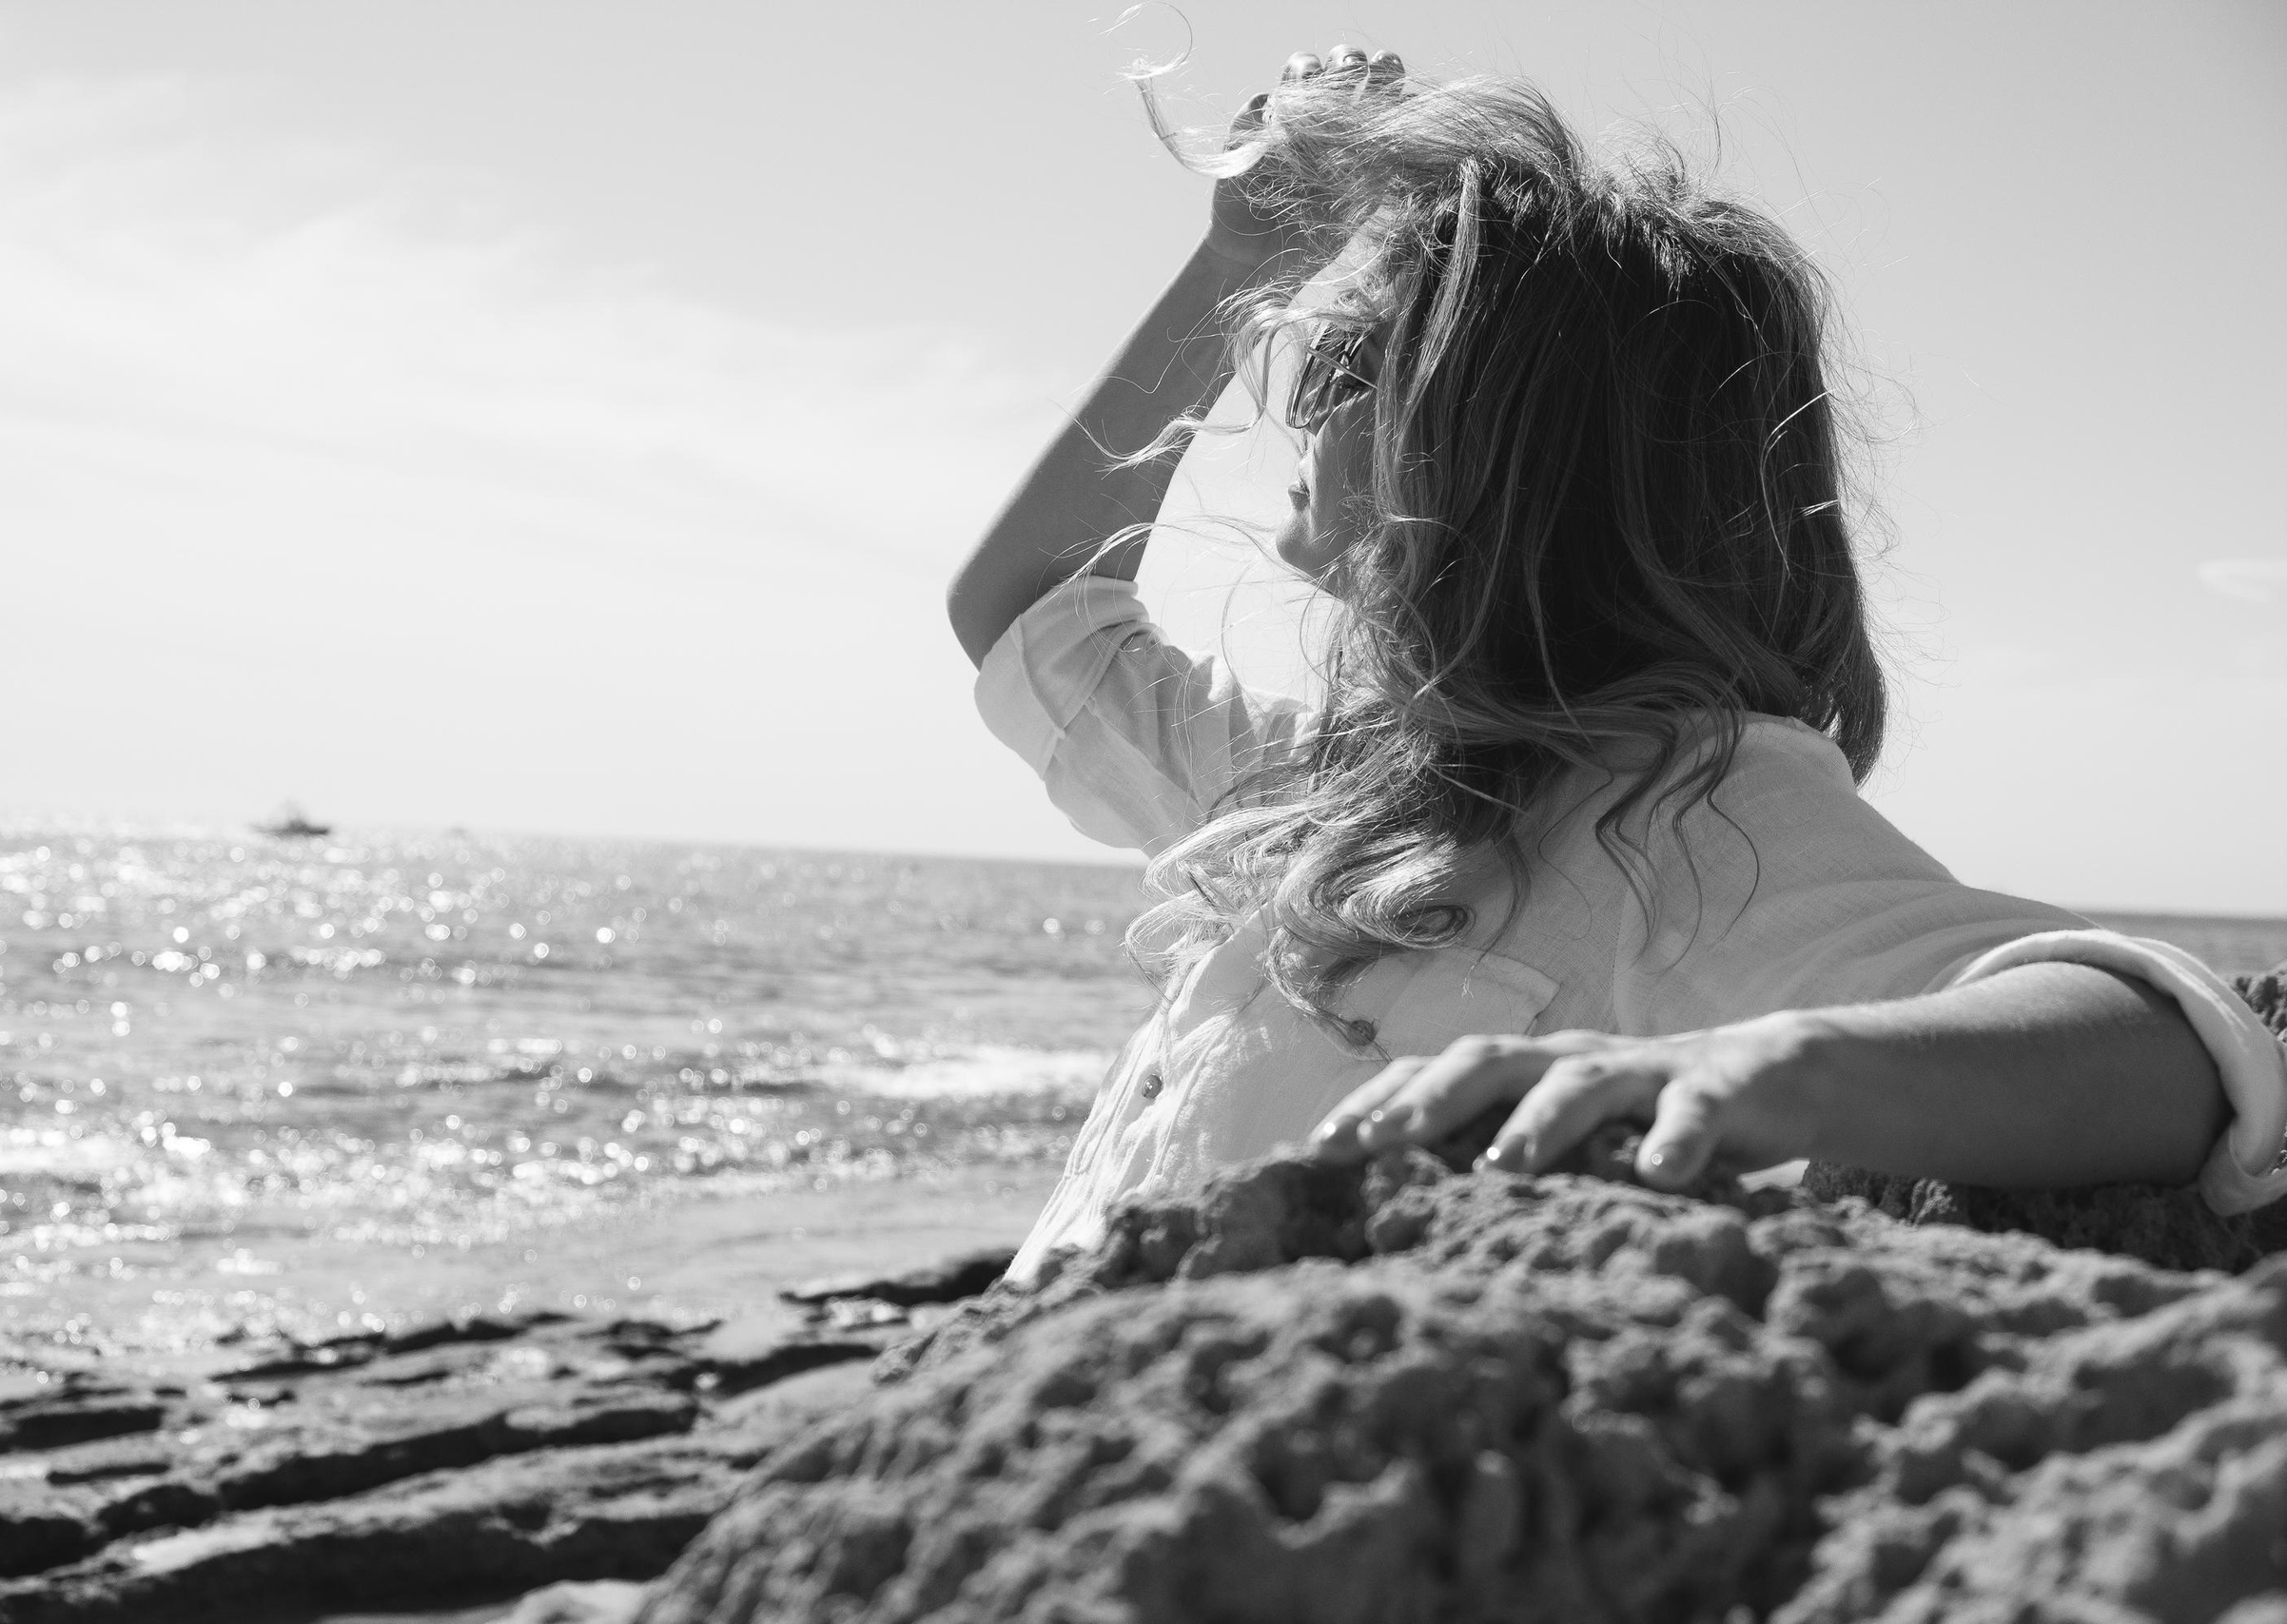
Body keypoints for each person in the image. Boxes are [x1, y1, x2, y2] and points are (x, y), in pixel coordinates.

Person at [948, 49, 2287, 1281]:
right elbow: (1027, 609)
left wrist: (1757, 1063)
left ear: (1499, 455)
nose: (1299, 390)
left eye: (1355, 360)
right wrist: (1243, 256)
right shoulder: (1322, 788)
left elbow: (2165, 1055)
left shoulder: (1691, 812)